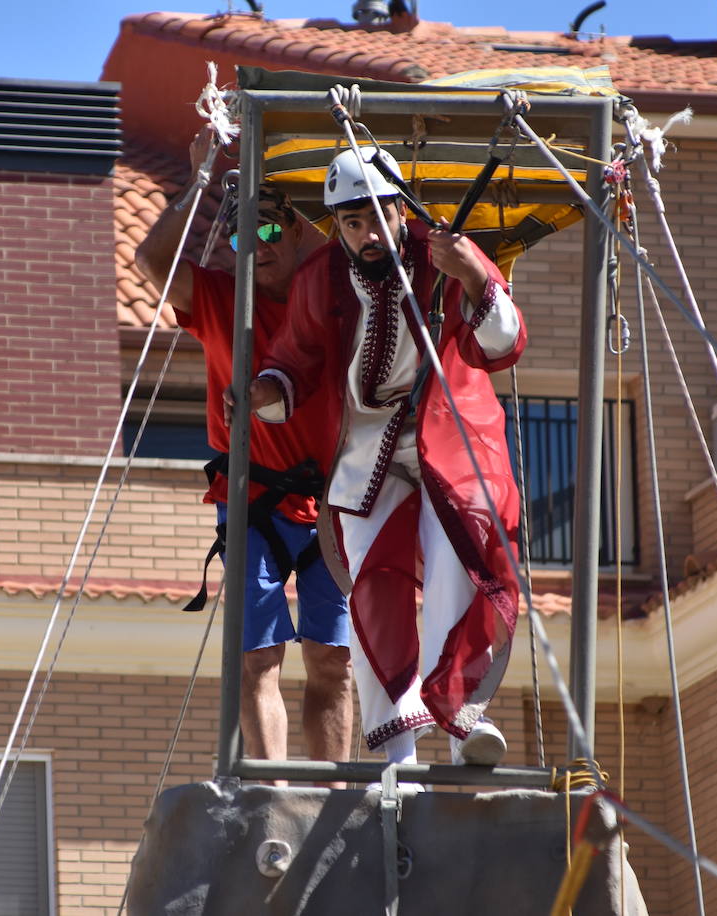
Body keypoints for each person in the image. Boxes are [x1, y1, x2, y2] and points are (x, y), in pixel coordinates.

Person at [248, 145, 526, 769]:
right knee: (373, 584)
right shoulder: (321, 276)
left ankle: (461, 722)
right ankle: (396, 748)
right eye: (352, 223)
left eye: (378, 217)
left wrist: (475, 276)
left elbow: (503, 345)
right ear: (336, 226)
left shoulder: (447, 253)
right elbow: (293, 359)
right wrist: (266, 391)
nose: (368, 234)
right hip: (363, 452)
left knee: (461, 559)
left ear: (402, 211)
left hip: (449, 439)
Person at [135, 127, 353, 779]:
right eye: (241, 237)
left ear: (297, 235)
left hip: (328, 507)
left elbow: (337, 250)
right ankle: (274, 786)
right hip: (253, 501)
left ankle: (334, 795)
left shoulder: (336, 305)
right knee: (259, 658)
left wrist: (291, 197)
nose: (253, 247)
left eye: (268, 233)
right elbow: (153, 264)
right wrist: (199, 182)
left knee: (333, 661)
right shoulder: (225, 301)